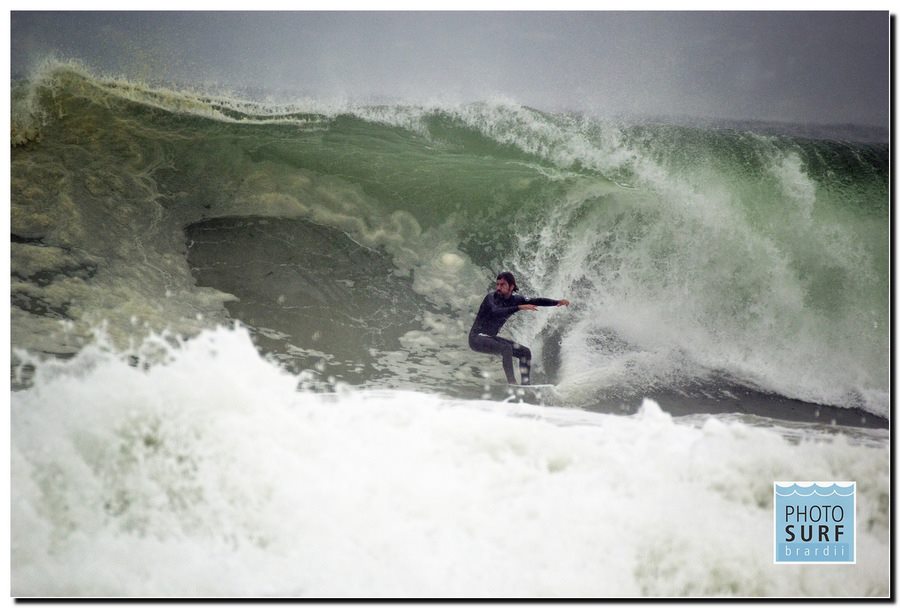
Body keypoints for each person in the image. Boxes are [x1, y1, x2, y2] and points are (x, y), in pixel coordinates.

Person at [468, 271, 570, 385]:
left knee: (525, 352)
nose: (498, 288)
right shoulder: (491, 298)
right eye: (497, 284)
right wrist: (519, 307)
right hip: (476, 338)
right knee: (506, 348)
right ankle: (512, 383)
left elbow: (536, 300)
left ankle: (525, 385)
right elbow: (495, 311)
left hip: (490, 338)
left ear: (511, 286)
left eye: (502, 285)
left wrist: (557, 302)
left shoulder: (515, 300)